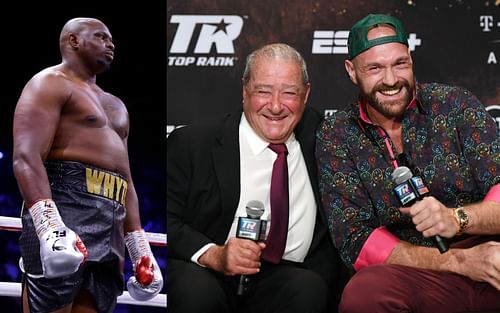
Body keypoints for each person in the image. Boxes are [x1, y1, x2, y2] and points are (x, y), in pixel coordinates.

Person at [316, 13, 500, 312]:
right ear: (351, 71)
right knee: (364, 293)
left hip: (489, 252)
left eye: (399, 64)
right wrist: (460, 263)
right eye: (375, 68)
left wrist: (457, 219)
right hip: (417, 268)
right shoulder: (338, 133)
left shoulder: (455, 104)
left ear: (411, 60)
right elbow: (357, 240)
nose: (390, 80)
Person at [167, 43, 347, 313]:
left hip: (285, 276)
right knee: (194, 292)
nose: (275, 106)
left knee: (308, 288)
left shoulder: (325, 138)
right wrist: (215, 255)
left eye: (289, 93)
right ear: (245, 90)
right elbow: (166, 219)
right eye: (263, 91)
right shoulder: (193, 144)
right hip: (209, 272)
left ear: (306, 95)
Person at [12, 17, 163, 313]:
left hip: (111, 219)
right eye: (101, 37)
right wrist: (51, 228)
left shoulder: (116, 105)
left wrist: (140, 248)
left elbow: (126, 179)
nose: (111, 44)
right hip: (65, 204)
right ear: (74, 40)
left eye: (111, 39)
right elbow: (26, 157)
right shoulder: (49, 83)